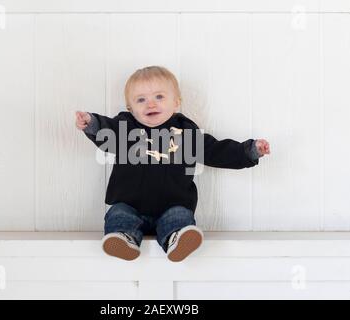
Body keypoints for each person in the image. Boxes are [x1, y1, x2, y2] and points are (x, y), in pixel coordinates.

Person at [75, 66, 270, 262]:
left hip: (172, 205)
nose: (150, 104)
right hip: (129, 205)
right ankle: (124, 238)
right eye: (141, 99)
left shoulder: (185, 132)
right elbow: (107, 131)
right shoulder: (125, 128)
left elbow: (216, 151)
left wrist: (250, 151)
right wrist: (92, 123)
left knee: (180, 216)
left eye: (159, 97)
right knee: (118, 214)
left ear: (176, 102)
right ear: (130, 108)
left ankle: (176, 238)